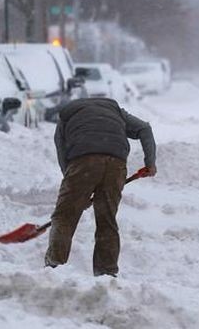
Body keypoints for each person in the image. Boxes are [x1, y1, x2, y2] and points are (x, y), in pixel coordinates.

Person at [46, 98, 156, 277]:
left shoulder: (65, 117)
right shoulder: (116, 112)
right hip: (115, 164)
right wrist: (150, 163)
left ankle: (54, 269)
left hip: (83, 161)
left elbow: (62, 154)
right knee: (107, 220)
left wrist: (77, 191)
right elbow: (145, 128)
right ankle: (106, 272)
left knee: (64, 217)